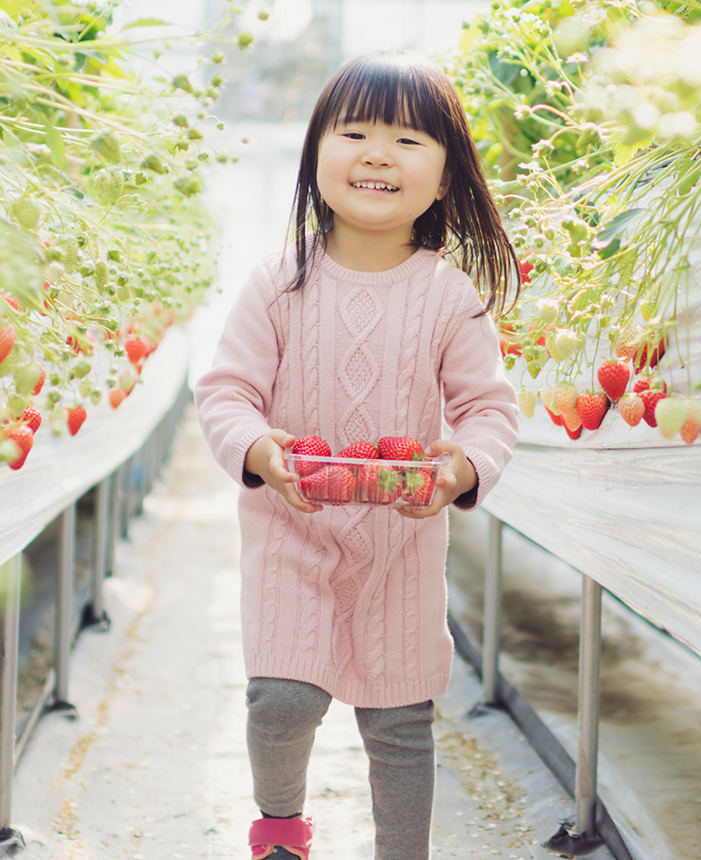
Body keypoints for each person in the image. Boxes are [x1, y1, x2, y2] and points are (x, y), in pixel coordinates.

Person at [195, 48, 519, 860]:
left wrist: (461, 469)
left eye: (409, 141)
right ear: (316, 160)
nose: (378, 153)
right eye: (356, 133)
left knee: (402, 723)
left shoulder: (449, 296)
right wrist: (262, 450)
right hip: (290, 534)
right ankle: (280, 829)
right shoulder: (279, 282)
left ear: (445, 180)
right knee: (280, 700)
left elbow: (489, 410)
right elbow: (225, 391)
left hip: (403, 547)